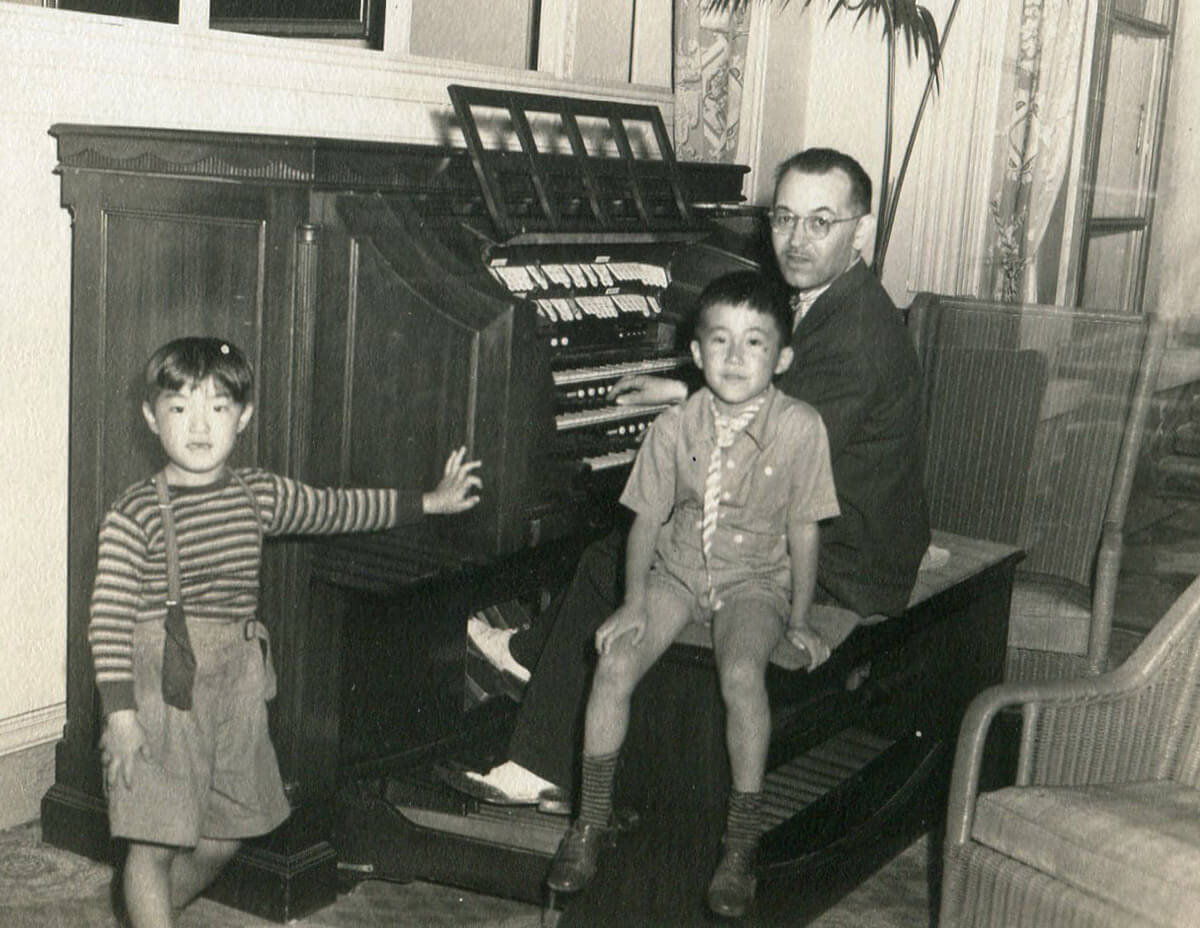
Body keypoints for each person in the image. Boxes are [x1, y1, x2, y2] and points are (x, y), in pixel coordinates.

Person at [454, 147, 930, 828]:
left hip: (848, 563)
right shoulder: (837, 300)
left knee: (618, 559)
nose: (795, 241)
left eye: (819, 223)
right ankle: (546, 662)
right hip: (852, 527)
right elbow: (781, 392)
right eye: (784, 219)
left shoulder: (857, 333)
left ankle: (539, 755)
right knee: (627, 539)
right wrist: (685, 387)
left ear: (861, 227)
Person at [90, 337, 481, 928]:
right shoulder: (133, 513)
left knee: (226, 832)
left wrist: (429, 501)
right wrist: (120, 717)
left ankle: (143, 916)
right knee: (154, 841)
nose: (198, 425)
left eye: (217, 407)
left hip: (236, 682)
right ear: (151, 417)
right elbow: (108, 620)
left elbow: (336, 508)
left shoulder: (258, 493)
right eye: (179, 408)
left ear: (243, 417)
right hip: (161, 691)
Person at [544, 270, 840, 917]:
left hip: (755, 581)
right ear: (696, 353)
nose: (736, 358)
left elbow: (804, 531)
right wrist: (631, 604)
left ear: (782, 358)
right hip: (679, 571)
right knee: (616, 663)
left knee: (740, 674)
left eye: (755, 343)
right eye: (721, 342)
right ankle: (588, 823)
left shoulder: (800, 428)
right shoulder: (674, 426)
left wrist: (799, 619)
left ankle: (739, 845)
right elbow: (646, 521)